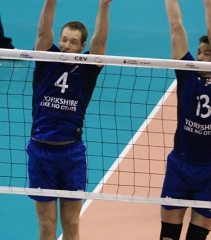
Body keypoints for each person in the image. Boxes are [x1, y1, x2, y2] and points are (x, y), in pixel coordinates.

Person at [26, 0, 112, 240]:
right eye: (64, 39)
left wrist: (104, 6)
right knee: (45, 226)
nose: (65, 45)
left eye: (73, 42)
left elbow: (101, 41)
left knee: (72, 225)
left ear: (82, 46)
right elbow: (44, 30)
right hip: (40, 152)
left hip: (71, 155)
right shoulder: (45, 58)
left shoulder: (88, 68)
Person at [160, 0, 211, 239]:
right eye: (199, 52)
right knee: (168, 236)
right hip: (180, 166)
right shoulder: (186, 74)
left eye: (208, 53)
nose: (201, 57)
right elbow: (176, 27)